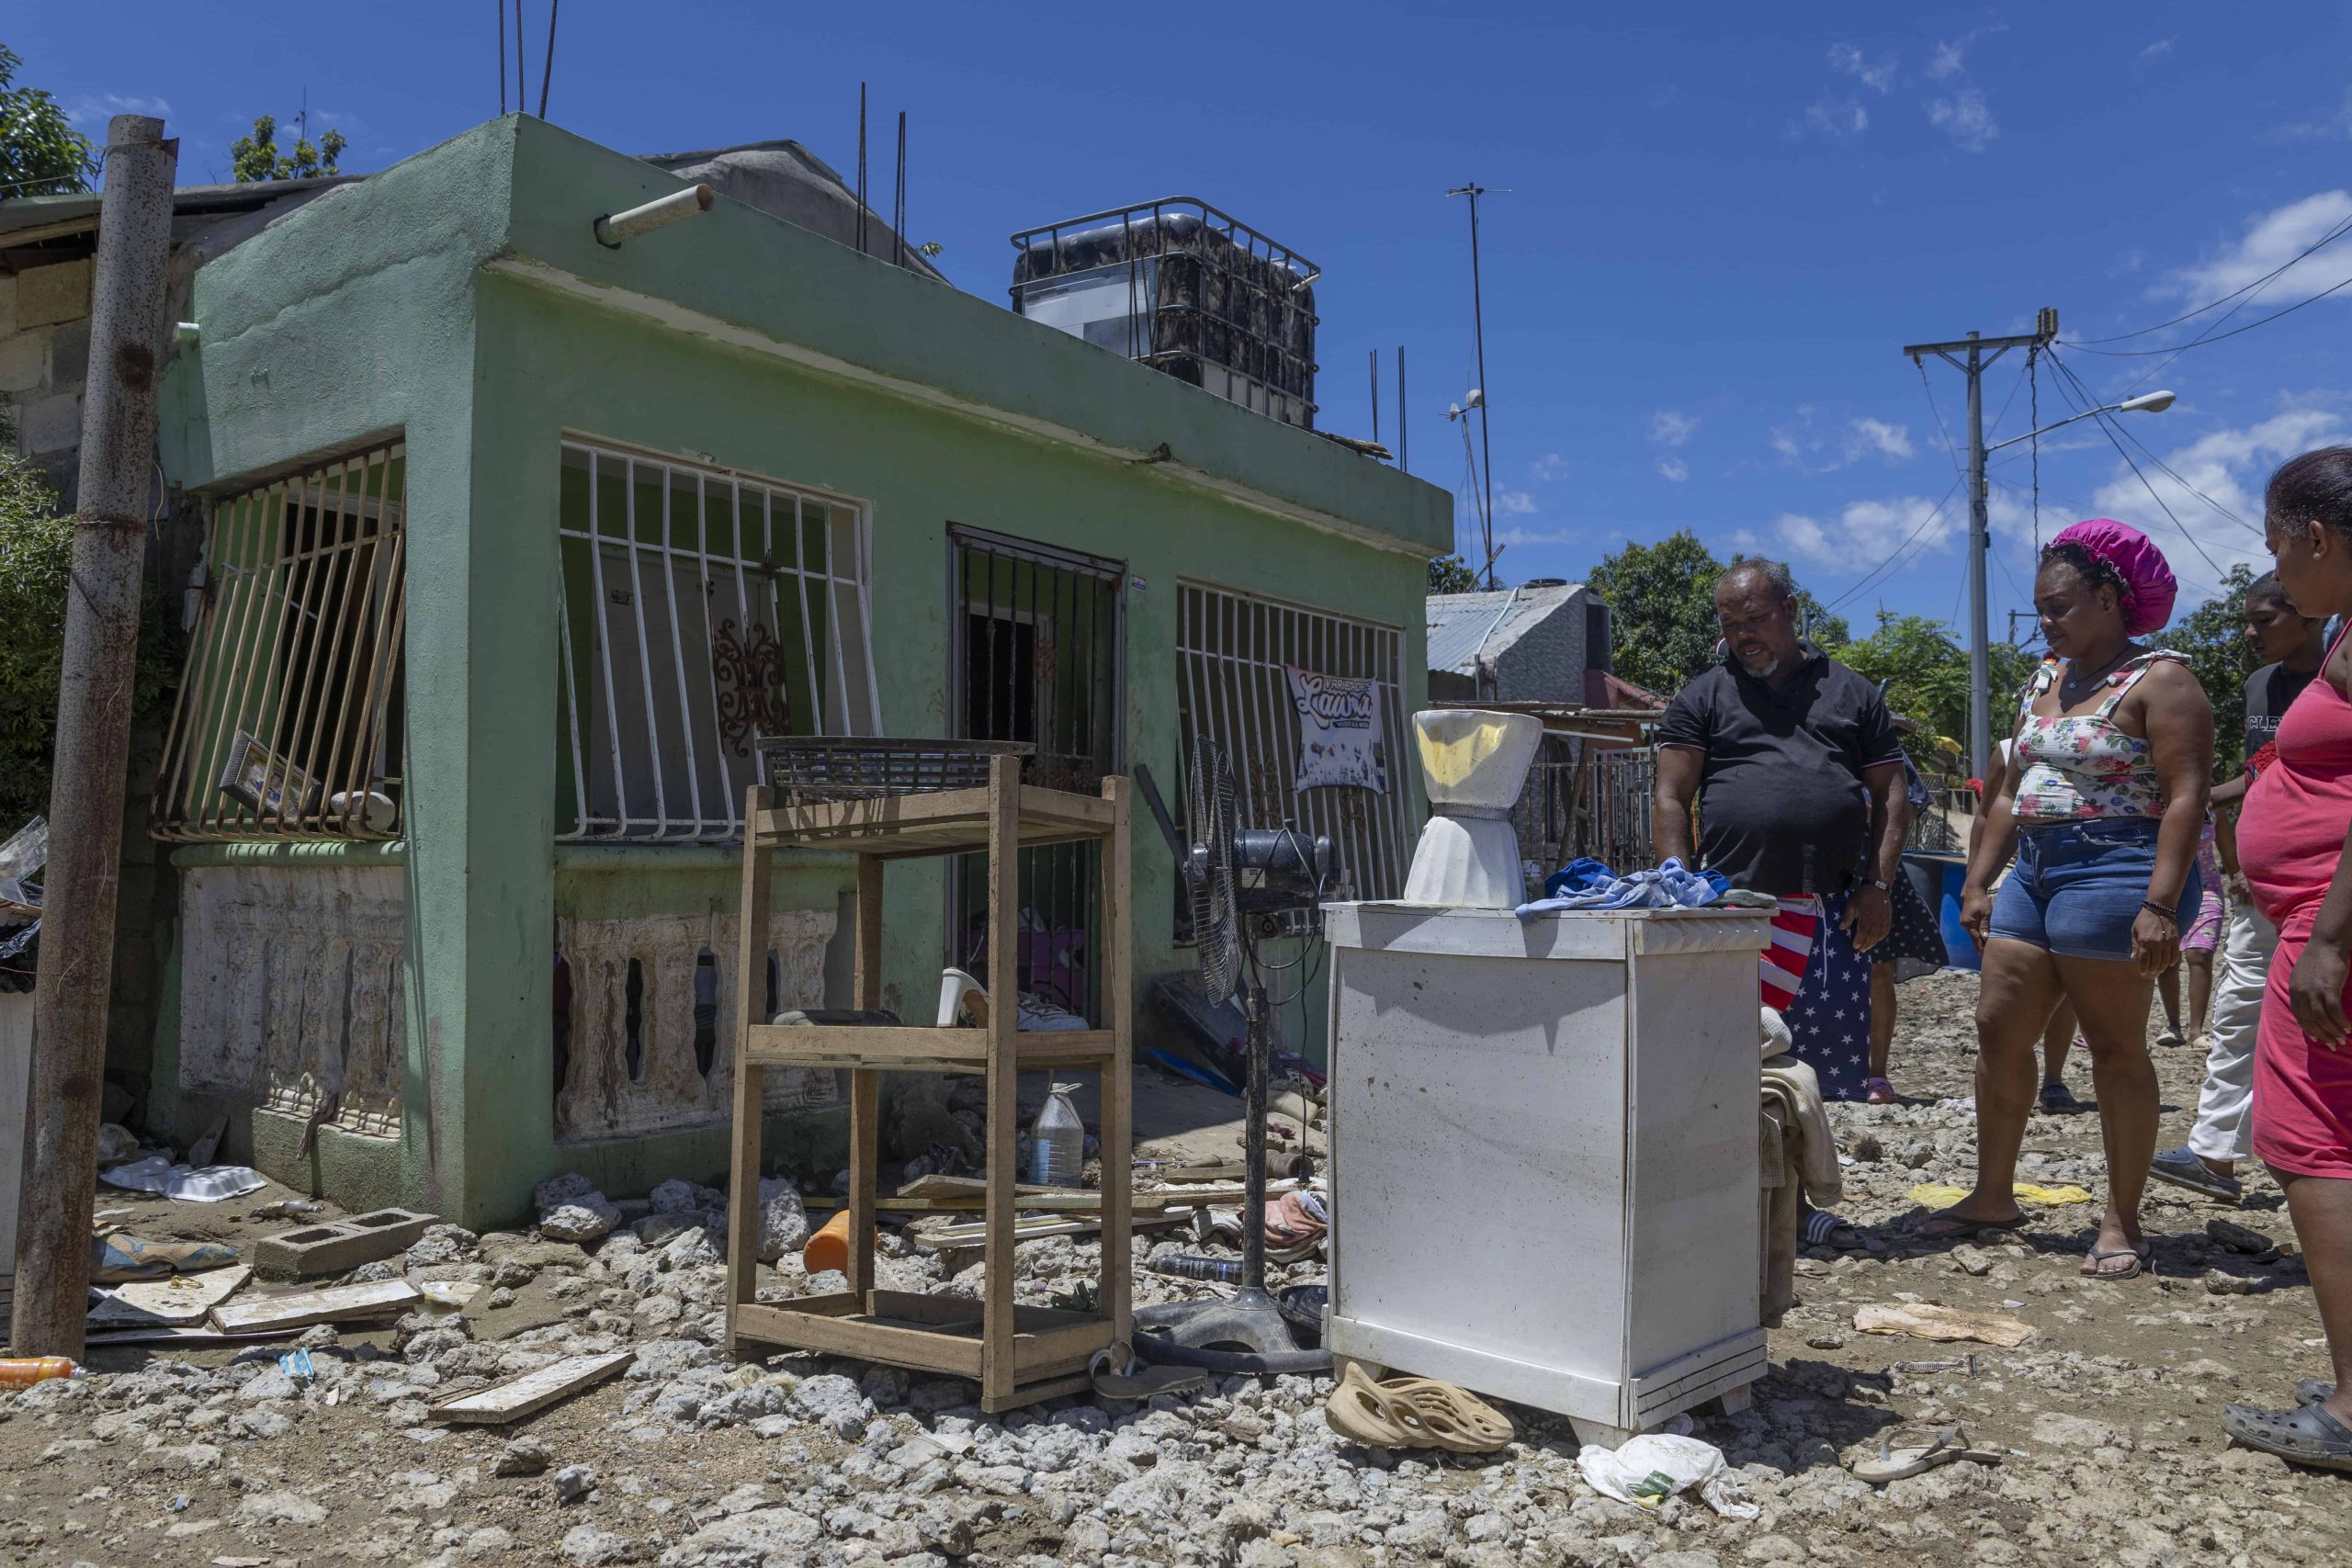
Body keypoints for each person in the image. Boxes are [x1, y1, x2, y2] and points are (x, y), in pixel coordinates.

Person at [1936, 519, 2212, 1281]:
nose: (2047, 622)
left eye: (2059, 606)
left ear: (2109, 597)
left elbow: (2187, 796)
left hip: (2119, 869)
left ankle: (2123, 1223)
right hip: (2034, 868)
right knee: (1999, 1026)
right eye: (2040, 608)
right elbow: (2004, 793)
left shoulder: (2162, 680)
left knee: (2115, 1047)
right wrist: (1977, 880)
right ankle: (1993, 1195)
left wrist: (2161, 903)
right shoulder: (2043, 680)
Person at [1655, 559, 1908, 1103]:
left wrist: (1878, 885)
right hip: (1735, 914)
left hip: (1833, 913)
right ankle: (1734, 1183)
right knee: (1726, 1076)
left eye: (1755, 619)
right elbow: (1671, 795)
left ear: (1790, 610)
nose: (1743, 635)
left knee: (1817, 1088)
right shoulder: (1702, 696)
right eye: (1730, 625)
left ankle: (1796, 1188)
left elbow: (1892, 794)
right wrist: (1680, 891)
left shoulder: (1853, 693)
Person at [2221, 449, 2352, 1468]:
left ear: (2314, 536)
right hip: (2320, 918)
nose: (2274, 570)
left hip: (2332, 929)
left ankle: (2350, 1410)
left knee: (2312, 1151)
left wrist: (2329, 942)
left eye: (2276, 546)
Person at [2152, 575, 2329, 1204]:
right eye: (2246, 621)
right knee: (2238, 1014)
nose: (2250, 634)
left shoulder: (2337, 674)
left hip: (2328, 889)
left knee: (2322, 1020)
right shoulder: (2260, 685)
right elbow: (2262, 775)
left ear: (2308, 615)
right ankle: (2215, 1152)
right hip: (2260, 888)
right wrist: (2188, 801)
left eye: (2264, 621)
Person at [1975, 720, 2086, 1113]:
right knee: (2006, 998)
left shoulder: (2094, 745)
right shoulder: (2007, 750)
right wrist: (1977, 883)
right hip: (2016, 873)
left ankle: (2054, 1079)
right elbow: (1988, 816)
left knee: (2067, 983)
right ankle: (2006, 1085)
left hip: (2077, 871)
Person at [1864, 749, 1951, 1103]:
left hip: (1875, 871)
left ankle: (1876, 1075)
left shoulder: (1881, 744)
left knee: (1878, 970)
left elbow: (1910, 805)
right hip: (1815, 870)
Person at [2155, 818, 2225, 1047]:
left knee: (2200, 954)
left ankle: (2197, 1031)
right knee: (2168, 957)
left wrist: (2238, 877)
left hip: (2207, 889)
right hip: (2167, 890)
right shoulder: (2156, 805)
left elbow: (2227, 844)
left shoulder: (2214, 805)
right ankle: (2173, 1025)